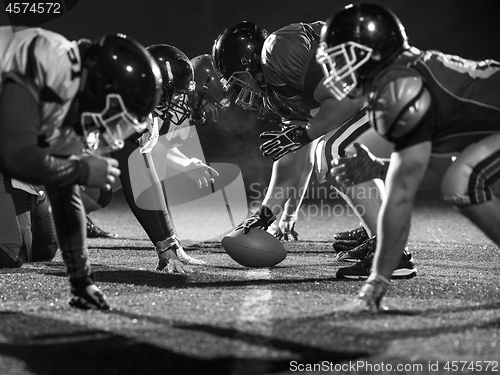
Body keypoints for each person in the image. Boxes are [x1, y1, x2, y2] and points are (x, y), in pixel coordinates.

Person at [317, 2, 500, 312]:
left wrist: (376, 283)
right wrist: (377, 167)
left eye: (342, 58)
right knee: (460, 176)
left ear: (371, 51)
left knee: (465, 180)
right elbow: (436, 169)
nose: (336, 70)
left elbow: (401, 195)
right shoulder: (406, 77)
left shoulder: (400, 88)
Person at [211, 21, 416, 279]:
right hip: (386, 97)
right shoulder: (276, 92)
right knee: (329, 148)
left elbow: (347, 97)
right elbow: (291, 162)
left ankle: (392, 254)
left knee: (335, 150)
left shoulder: (279, 51)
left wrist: (306, 133)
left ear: (249, 61)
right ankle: (379, 234)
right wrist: (264, 215)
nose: (241, 92)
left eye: (238, 80)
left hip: (403, 89)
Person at [0, 26, 162, 310]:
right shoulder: (45, 58)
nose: (110, 129)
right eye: (114, 116)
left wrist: (82, 280)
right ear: (102, 90)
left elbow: (65, 190)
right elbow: (13, 155)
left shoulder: (73, 91)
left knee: (43, 248)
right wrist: (82, 170)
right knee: (8, 251)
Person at [79, 47, 223, 272]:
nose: (179, 99)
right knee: (26, 248)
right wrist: (164, 245)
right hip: (28, 168)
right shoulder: (124, 106)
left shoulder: (143, 111)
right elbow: (137, 177)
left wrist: (170, 242)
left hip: (51, 164)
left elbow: (149, 169)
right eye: (175, 92)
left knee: (104, 185)